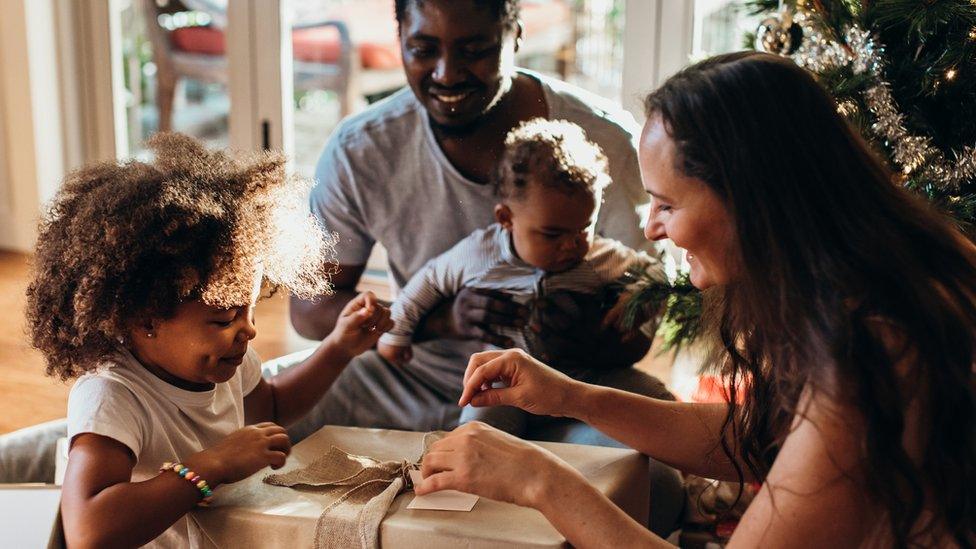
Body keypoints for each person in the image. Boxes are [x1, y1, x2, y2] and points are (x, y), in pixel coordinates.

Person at [415, 52, 976, 548]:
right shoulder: (894, 269)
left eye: (666, 204)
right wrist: (570, 396)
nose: (653, 230)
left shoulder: (871, 349)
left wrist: (540, 479)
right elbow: (758, 436)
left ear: (748, 201)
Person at [289, 0, 685, 534]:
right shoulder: (364, 148)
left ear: (515, 34)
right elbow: (310, 309)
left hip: (574, 392)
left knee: (651, 486)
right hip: (416, 378)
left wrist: (580, 337)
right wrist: (441, 322)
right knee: (257, 415)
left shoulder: (599, 142)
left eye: (475, 50)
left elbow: (644, 321)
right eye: (423, 49)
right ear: (399, 34)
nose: (447, 74)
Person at [25, 134, 393, 548]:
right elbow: (89, 531)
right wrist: (211, 465)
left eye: (250, 310)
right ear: (145, 318)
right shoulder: (114, 396)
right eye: (223, 318)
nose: (248, 331)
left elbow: (268, 408)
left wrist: (338, 348)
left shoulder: (228, 358)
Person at [377, 117, 672, 435]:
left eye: (583, 229)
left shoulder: (598, 256)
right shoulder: (480, 254)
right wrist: (396, 333)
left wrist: (638, 298)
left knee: (657, 400)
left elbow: (657, 272)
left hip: (583, 373)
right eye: (552, 234)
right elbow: (429, 281)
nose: (571, 245)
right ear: (506, 218)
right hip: (505, 379)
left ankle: (698, 469)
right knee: (479, 431)